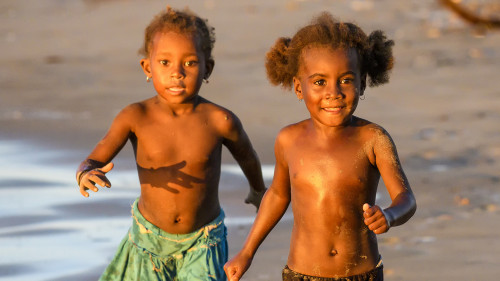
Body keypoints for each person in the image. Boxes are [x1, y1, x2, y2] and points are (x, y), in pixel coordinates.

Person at [76, 6, 267, 281]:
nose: (177, 73)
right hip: (148, 241)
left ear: (207, 68)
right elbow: (94, 158)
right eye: (165, 63)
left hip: (204, 241)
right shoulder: (135, 117)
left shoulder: (220, 120)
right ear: (147, 67)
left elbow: (247, 156)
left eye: (189, 63)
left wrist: (258, 190)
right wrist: (85, 173)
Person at [224, 12, 416, 281]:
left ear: (362, 84)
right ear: (298, 87)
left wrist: (389, 215)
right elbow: (278, 196)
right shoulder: (289, 140)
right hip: (302, 273)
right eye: (319, 82)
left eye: (346, 80)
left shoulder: (372, 138)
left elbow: (406, 199)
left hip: (362, 274)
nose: (333, 92)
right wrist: (246, 252)